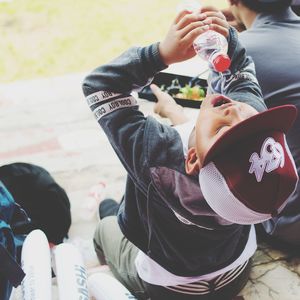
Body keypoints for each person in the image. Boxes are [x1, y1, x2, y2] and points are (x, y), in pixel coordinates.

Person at [82, 9, 298, 300]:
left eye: (224, 130)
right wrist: (227, 40)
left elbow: (100, 86)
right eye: (252, 123)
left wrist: (160, 55)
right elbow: (240, 76)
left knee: (108, 224)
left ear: (192, 159)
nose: (233, 109)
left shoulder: (153, 152)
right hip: (235, 274)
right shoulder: (249, 142)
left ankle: (108, 230)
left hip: (167, 288)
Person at [216, 0, 300, 248]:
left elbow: (212, 141)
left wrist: (172, 111)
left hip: (289, 222)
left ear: (233, 2)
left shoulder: (234, 53)